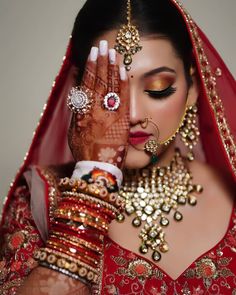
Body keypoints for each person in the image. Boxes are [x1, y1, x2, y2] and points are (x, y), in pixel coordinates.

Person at [0, 0, 235, 294]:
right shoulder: (38, 199)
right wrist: (92, 182)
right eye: (110, 91)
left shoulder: (232, 191)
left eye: (158, 88)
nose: (133, 113)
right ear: (79, 91)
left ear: (192, 90)